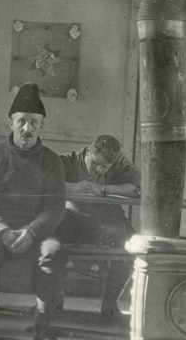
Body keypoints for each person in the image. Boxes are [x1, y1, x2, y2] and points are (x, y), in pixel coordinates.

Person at [0, 83, 67, 340]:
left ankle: (42, 324)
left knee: (53, 253)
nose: (27, 129)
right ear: (10, 124)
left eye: (34, 123)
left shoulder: (51, 161)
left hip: (36, 231)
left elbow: (55, 206)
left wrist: (32, 232)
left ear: (42, 126)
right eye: (21, 121)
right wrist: (2, 231)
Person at [57, 134, 140, 319]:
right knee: (51, 242)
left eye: (105, 167)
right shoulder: (66, 161)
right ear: (88, 151)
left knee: (131, 246)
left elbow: (138, 188)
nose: (99, 170)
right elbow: (46, 181)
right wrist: (75, 188)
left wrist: (103, 189)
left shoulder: (119, 163)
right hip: (74, 220)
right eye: (95, 163)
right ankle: (53, 301)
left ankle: (109, 305)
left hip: (109, 222)